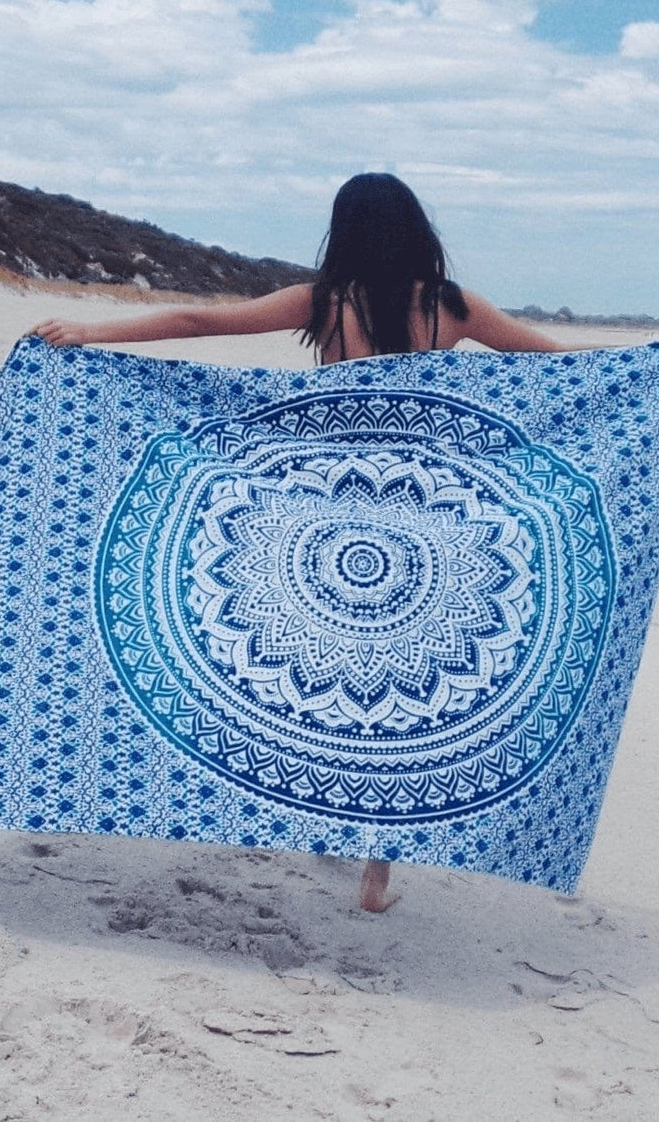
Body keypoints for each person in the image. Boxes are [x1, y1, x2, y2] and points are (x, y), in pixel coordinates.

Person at [32, 172, 587, 912]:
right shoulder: (452, 307)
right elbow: (561, 361)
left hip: (323, 510)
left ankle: (307, 805)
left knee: (311, 669)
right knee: (405, 692)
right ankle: (377, 869)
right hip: (423, 517)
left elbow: (201, 322)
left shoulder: (325, 300)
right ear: (417, 229)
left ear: (344, 230)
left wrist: (90, 333)